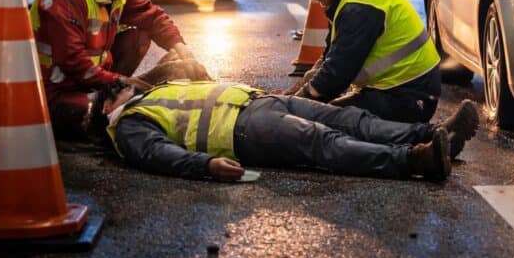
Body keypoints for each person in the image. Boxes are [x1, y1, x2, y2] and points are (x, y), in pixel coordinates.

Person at [86, 77, 479, 182]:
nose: (128, 84)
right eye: (120, 87)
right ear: (107, 106)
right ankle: (415, 161)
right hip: (243, 129)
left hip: (260, 102)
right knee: (324, 142)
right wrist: (205, 166)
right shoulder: (127, 124)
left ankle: (431, 135)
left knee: (348, 119)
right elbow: (158, 154)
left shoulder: (152, 94)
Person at [29, 0, 209, 140]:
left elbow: (152, 17)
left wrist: (181, 49)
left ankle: (120, 95)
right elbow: (73, 61)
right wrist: (121, 82)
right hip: (56, 92)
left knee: (140, 38)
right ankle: (112, 105)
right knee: (115, 114)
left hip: (94, 81)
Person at [287, 0, 442, 123]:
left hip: (410, 97)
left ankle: (430, 137)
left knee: (326, 122)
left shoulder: (357, 8)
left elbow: (335, 76)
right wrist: (309, 80)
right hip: (398, 89)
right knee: (325, 114)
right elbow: (332, 56)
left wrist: (295, 105)